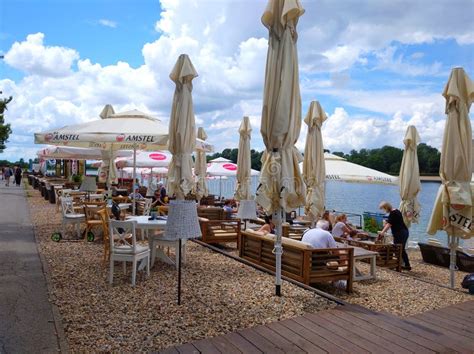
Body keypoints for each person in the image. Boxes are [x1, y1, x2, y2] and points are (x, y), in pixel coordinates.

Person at [378, 201, 411, 270]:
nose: (384, 211)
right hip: (404, 232)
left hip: (400, 233)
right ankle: (404, 264)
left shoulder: (393, 213)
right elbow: (393, 221)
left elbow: (389, 224)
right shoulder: (396, 211)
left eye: (383, 209)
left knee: (398, 249)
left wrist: (382, 232)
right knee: (401, 249)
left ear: (386, 208)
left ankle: (401, 264)